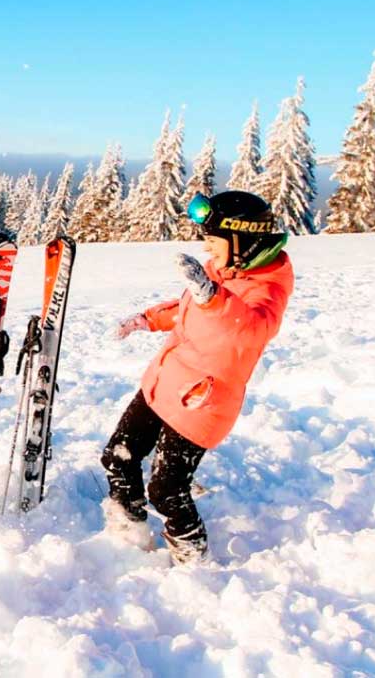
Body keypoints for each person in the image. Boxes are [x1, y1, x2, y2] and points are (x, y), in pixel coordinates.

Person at [103, 191, 293, 564]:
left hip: (202, 400)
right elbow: (189, 306)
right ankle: (129, 534)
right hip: (165, 382)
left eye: (213, 241)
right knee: (118, 456)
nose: (207, 249)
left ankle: (193, 561)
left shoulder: (266, 289)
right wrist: (149, 318)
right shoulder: (222, 271)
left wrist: (213, 299)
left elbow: (248, 329)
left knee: (167, 489)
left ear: (243, 239)